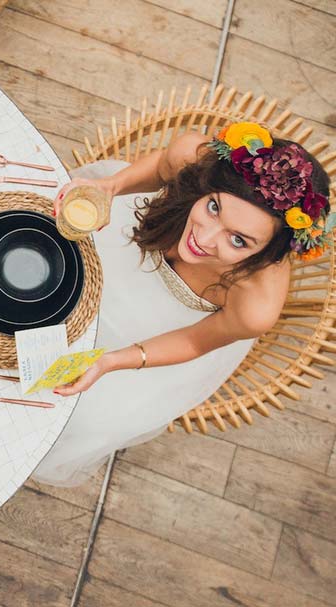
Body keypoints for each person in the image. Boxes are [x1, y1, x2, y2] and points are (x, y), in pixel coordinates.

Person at [33, 122, 332, 486]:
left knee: (87, 415)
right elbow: (161, 167)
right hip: (122, 244)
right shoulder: (193, 157)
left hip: (160, 328)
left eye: (238, 241)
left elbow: (192, 342)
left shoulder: (255, 307)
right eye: (213, 207)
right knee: (39, 266)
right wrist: (112, 186)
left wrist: (112, 361)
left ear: (268, 253)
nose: (203, 239)